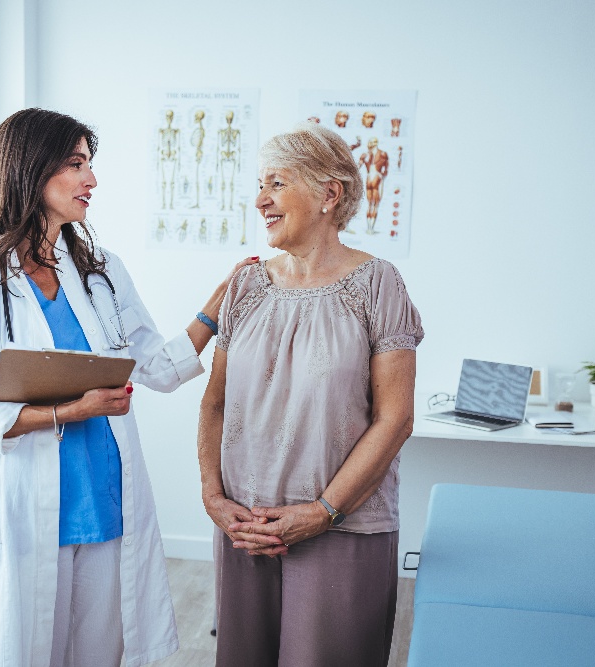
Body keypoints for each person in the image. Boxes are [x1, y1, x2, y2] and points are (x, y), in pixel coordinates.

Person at [0, 108, 256, 667]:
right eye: (76, 164)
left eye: (90, 163)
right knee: (26, 650)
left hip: (104, 495)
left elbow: (156, 365)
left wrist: (218, 301)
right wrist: (69, 410)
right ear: (30, 170)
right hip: (27, 500)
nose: (92, 180)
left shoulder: (101, 269)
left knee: (97, 653)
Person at [197, 122, 423, 667]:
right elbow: (215, 404)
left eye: (275, 183)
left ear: (329, 194)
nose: (260, 200)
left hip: (341, 529)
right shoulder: (246, 286)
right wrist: (214, 499)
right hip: (246, 528)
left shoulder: (378, 284)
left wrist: (322, 512)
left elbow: (395, 419)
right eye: (258, 184)